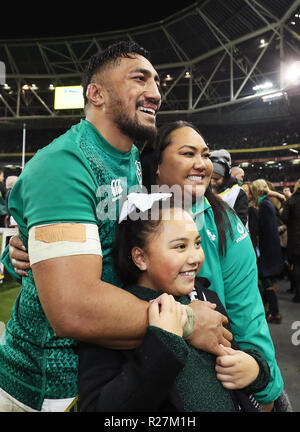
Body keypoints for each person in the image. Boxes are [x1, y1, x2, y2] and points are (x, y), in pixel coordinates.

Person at [0, 42, 231, 412]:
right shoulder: (65, 163)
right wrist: (187, 321)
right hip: (53, 382)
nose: (155, 92)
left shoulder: (133, 162)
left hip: (110, 365)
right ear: (96, 93)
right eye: (139, 79)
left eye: (156, 81)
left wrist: (26, 249)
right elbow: (73, 308)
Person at [78, 194, 270, 412]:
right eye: (180, 246)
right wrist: (162, 345)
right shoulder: (111, 317)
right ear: (140, 257)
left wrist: (254, 369)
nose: (195, 257)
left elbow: (237, 353)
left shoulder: (206, 298)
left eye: (197, 243)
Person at [140, 121, 284, 410]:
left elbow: (248, 315)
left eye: (205, 154)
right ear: (157, 165)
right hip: (144, 377)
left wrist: (264, 387)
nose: (202, 164)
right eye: (188, 153)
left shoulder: (226, 225)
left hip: (218, 381)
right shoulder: (130, 215)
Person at [251, 179, 284, 324]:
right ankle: (270, 310)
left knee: (267, 281)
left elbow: (264, 229)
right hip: (272, 248)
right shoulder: (268, 203)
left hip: (267, 249)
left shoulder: (263, 205)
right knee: (267, 280)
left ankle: (275, 312)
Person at [209, 149, 248, 226]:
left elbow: (240, 223)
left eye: (216, 179)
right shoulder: (202, 190)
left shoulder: (238, 193)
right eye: (210, 178)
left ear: (226, 177)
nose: (212, 182)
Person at [281, 179, 300, 303]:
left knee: (297, 266)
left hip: (295, 240)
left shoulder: (291, 201)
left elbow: (284, 218)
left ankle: (298, 294)